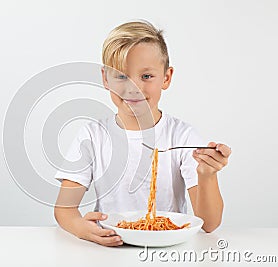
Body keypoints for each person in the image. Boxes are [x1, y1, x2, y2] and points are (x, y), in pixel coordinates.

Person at [54, 20, 232, 247]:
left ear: (166, 78)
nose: (133, 88)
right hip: (109, 249)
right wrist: (81, 229)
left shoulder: (182, 137)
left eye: (146, 77)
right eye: (120, 76)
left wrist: (207, 174)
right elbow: (64, 209)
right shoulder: (93, 135)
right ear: (105, 78)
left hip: (168, 250)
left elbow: (209, 223)